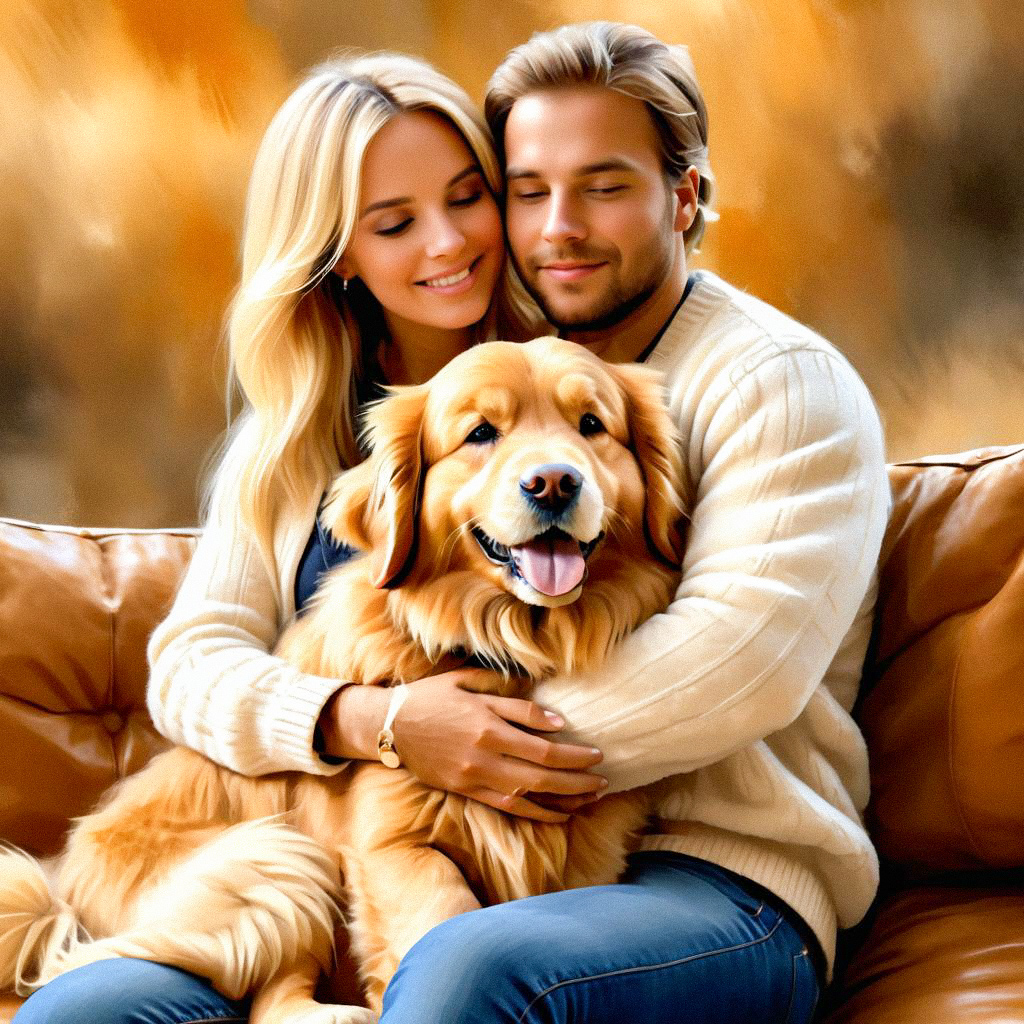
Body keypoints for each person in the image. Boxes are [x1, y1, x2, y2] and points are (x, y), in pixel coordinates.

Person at [12, 51, 606, 1024]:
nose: (449, 241)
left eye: (468, 197)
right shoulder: (286, 446)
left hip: (495, 862)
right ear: (337, 252)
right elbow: (190, 668)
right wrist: (378, 721)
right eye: (395, 222)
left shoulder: (590, 394)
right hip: (287, 856)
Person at [370, 21, 891, 1024]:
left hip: (715, 882)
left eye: (603, 185)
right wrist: (373, 730)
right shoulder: (504, 376)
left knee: (473, 970)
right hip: (507, 854)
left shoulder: (779, 385)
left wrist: (437, 750)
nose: (557, 225)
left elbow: (734, 666)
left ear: (685, 196)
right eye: (529, 190)